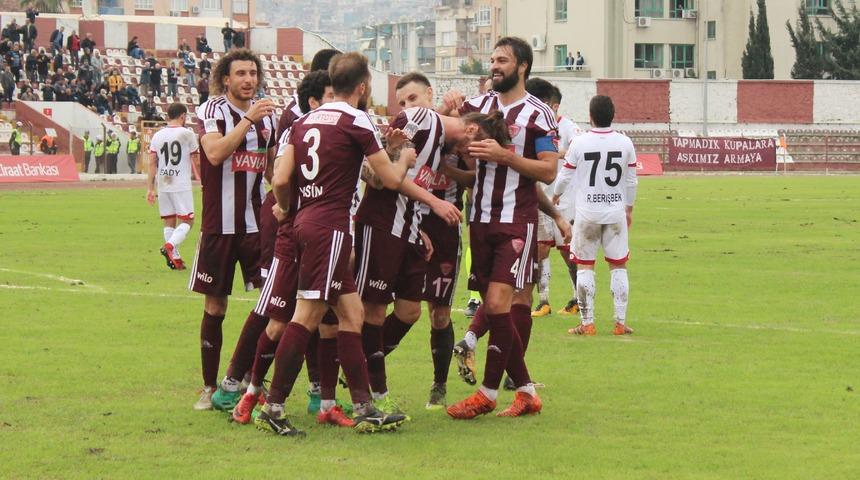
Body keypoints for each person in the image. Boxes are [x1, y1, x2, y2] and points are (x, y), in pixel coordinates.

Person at [254, 52, 413, 436]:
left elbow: (279, 179)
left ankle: (364, 406)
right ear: (362, 86)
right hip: (331, 228)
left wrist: (291, 209)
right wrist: (404, 157)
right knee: (306, 316)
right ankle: (272, 407)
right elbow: (389, 179)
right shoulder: (356, 119)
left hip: (307, 221)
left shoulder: (305, 119)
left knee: (352, 314)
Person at [440, 37, 560, 419]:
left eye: (502, 60)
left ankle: (488, 393)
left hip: (516, 223)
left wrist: (505, 155)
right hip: (480, 223)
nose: (494, 66)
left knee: (496, 304)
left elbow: (549, 169)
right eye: (492, 60)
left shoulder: (538, 114)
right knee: (495, 308)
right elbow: (451, 148)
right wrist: (445, 112)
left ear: (522, 66)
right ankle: (525, 392)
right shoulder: (475, 108)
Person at [229, 69, 339, 426]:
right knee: (280, 321)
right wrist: (288, 206)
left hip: (325, 236)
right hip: (295, 236)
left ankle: (327, 401)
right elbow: (277, 177)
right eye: (330, 95)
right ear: (313, 101)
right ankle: (253, 395)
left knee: (336, 320)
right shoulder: (299, 128)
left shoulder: (340, 128)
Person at [353, 71, 462, 415]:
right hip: (382, 225)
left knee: (411, 310)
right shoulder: (415, 125)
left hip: (414, 228)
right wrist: (435, 203)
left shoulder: (437, 133)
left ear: (430, 95)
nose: (407, 108)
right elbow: (384, 179)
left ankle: (360, 367)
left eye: (413, 99)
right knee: (369, 309)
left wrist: (420, 224)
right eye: (401, 103)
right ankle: (373, 391)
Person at [188, 48, 279, 411]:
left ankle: (246, 378)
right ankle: (210, 387)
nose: (248, 80)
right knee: (216, 305)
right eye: (241, 73)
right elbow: (214, 153)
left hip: (258, 225)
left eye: (253, 73)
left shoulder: (268, 119)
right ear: (226, 78)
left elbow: (272, 170)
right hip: (219, 225)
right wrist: (248, 120)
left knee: (274, 303)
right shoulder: (212, 111)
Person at [552, 95, 636, 336]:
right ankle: (620, 322)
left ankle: (587, 323)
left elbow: (565, 176)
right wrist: (628, 208)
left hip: (587, 214)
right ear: (613, 115)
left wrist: (555, 196)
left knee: (585, 267)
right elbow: (631, 181)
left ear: (590, 116)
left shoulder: (579, 143)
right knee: (618, 266)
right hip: (615, 211)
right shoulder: (625, 143)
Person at [526, 78, 582, 318]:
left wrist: (556, 153)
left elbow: (580, 150)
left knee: (568, 251)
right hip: (542, 196)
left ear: (555, 105)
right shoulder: (535, 127)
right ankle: (544, 300)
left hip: (566, 200)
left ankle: (577, 298)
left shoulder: (569, 128)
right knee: (540, 250)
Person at [147, 103, 200, 270]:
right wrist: (202, 179)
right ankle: (169, 246)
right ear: (183, 116)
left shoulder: (157, 136)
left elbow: (152, 163)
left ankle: (175, 258)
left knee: (169, 220)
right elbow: (196, 160)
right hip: (180, 183)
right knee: (188, 220)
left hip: (163, 183)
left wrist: (150, 188)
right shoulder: (187, 134)